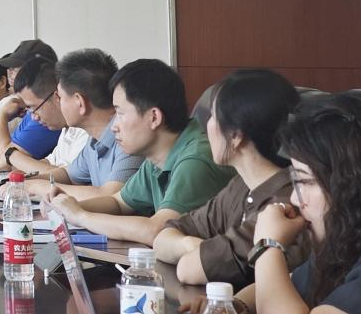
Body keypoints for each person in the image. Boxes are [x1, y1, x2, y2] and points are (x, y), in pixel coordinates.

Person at [190, 93, 361, 314]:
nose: (295, 200)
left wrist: (267, 246)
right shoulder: (346, 245)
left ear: (358, 186)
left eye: (305, 181)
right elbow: (287, 286)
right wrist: (236, 306)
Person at [49, 58, 233, 246]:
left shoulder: (195, 160)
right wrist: (68, 207)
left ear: (154, 117)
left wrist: (81, 216)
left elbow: (158, 230)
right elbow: (118, 203)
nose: (114, 127)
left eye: (120, 114)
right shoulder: (158, 157)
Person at [153, 69, 304, 287]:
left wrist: (195, 251)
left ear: (235, 135)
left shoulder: (285, 205)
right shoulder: (241, 186)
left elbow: (190, 270)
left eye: (213, 117)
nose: (207, 125)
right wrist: (189, 245)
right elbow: (163, 236)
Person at [21, 48, 143, 201]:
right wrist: (24, 182)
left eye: (60, 97)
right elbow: (68, 175)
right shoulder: (94, 140)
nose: (58, 103)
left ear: (79, 102)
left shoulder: (128, 137)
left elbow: (110, 197)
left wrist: (40, 187)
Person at [0, 57, 88, 174]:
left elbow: (67, 177)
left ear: (57, 97)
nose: (34, 117)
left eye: (34, 108)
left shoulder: (84, 132)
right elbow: (50, 162)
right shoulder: (67, 129)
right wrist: (20, 169)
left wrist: (11, 155)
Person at [0, 40, 62, 165]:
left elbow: (6, 157)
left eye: (15, 68)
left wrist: (2, 115)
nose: (9, 73)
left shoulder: (47, 116)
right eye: (9, 68)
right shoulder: (32, 109)